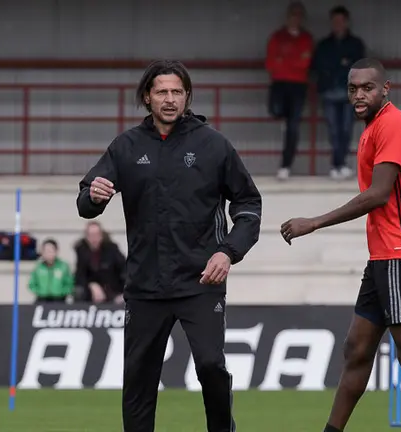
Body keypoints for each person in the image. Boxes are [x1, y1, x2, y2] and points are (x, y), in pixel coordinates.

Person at [77, 60, 262, 432]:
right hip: (144, 285)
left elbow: (248, 204)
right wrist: (94, 196)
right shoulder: (126, 146)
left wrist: (227, 251)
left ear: (187, 96)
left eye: (177, 92)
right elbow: (85, 201)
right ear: (147, 97)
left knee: (211, 365)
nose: (170, 99)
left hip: (201, 281)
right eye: (162, 91)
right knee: (139, 381)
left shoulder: (213, 145)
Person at [279, 58, 401, 432]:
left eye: (367, 88)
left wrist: (314, 222)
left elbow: (378, 195)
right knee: (357, 348)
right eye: (353, 88)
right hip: (386, 256)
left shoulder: (390, 124)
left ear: (385, 89)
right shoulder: (374, 126)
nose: (359, 94)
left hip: (399, 253)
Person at [311, 6, 365, 180]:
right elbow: (318, 66)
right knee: (334, 129)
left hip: (349, 93)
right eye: (335, 21)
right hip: (329, 92)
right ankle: (337, 164)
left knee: (346, 129)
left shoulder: (355, 44)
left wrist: (341, 67)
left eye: (341, 21)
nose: (338, 24)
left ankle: (341, 163)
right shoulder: (324, 45)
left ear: (346, 22)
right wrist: (341, 65)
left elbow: (359, 67)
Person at [265, 1, 314, 181]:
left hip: (298, 86)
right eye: (293, 15)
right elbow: (271, 63)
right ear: (288, 17)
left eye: (298, 15)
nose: (295, 18)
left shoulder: (306, 38)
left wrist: (284, 60)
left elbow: (305, 63)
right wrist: (292, 62)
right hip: (279, 84)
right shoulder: (277, 37)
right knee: (276, 112)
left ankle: (286, 165)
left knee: (293, 126)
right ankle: (283, 120)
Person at [73, 221, 126, 304]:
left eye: (96, 235)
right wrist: (92, 285)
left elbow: (124, 270)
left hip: (112, 289)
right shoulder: (82, 251)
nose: (94, 239)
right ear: (86, 237)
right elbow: (80, 275)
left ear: (101, 235)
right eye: (91, 235)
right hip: (90, 293)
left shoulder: (112, 249)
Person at [28, 239, 75, 303]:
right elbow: (32, 283)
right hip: (41, 299)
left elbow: (70, 283)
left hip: (59, 300)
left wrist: (61, 292)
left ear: (56, 251)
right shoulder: (38, 267)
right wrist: (39, 291)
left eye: (50, 251)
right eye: (45, 251)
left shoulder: (63, 266)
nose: (48, 253)